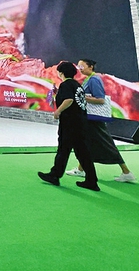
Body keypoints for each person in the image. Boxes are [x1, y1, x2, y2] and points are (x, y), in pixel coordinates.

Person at [66, 59, 136, 183]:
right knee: (87, 144)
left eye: (82, 66)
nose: (79, 69)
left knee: (106, 144)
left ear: (90, 67)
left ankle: (126, 172)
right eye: (78, 66)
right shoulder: (89, 79)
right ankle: (81, 169)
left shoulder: (94, 80)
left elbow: (100, 99)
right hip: (89, 119)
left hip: (94, 120)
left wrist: (81, 97)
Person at [38, 60, 99, 191]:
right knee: (83, 153)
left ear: (61, 73)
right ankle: (91, 180)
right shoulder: (77, 85)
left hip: (70, 124)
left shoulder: (66, 84)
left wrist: (58, 111)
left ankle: (55, 175)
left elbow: (69, 100)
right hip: (81, 123)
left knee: (63, 150)